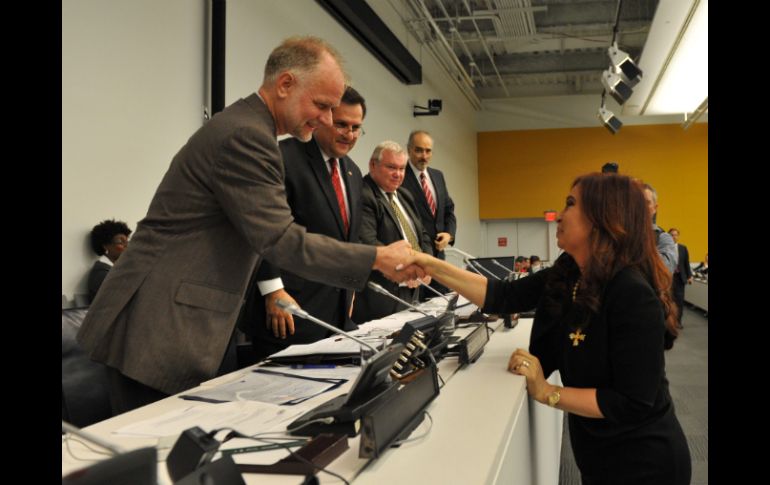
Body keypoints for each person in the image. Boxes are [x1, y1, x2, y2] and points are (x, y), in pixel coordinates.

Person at [76, 36, 420, 414]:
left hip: (184, 321)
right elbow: (279, 239)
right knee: (157, 464)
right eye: (321, 105)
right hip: (158, 324)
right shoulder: (247, 136)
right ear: (286, 84)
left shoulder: (250, 128)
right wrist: (376, 258)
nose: (325, 119)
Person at [411, 173, 690, 484]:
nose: (559, 215)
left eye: (570, 204)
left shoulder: (630, 292)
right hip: (601, 454)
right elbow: (503, 295)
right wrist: (431, 265)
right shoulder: (570, 271)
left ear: (600, 219)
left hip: (643, 463)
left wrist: (549, 393)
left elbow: (632, 402)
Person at [237, 86, 368, 361]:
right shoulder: (282, 157)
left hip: (336, 317)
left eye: (357, 127)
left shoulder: (353, 173)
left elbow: (347, 240)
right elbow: (264, 227)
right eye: (342, 124)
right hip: (289, 312)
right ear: (323, 117)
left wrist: (351, 286)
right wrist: (273, 291)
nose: (350, 134)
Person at [352, 141, 434, 324]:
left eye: (402, 168)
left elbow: (423, 235)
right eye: (391, 167)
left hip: (413, 290)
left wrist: (427, 264)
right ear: (373, 165)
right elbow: (367, 242)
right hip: (382, 295)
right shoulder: (363, 194)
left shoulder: (404, 195)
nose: (398, 174)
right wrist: (408, 268)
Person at [400, 130, 456, 293]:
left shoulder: (437, 176)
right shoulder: (400, 175)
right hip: (414, 260)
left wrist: (449, 234)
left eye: (428, 151)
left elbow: (448, 209)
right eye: (418, 150)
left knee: (442, 307)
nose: (424, 156)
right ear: (409, 149)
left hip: (438, 259)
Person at [87, 220, 132, 303]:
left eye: (127, 242)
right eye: (120, 242)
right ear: (105, 246)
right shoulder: (101, 273)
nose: (127, 246)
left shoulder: (118, 268)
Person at [643, 183, 677, 274]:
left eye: (647, 203)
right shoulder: (620, 233)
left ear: (655, 208)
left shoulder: (663, 238)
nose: (641, 207)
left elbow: (665, 271)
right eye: (637, 202)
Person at [668, 228, 693, 329]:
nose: (674, 237)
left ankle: (678, 322)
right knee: (668, 300)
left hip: (680, 278)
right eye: (671, 235)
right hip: (668, 277)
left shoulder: (683, 248)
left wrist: (689, 276)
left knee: (679, 301)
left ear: (678, 236)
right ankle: (668, 322)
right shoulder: (665, 248)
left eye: (675, 235)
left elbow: (686, 263)